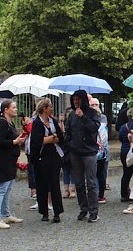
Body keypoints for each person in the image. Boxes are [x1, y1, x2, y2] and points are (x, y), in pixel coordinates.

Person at [0, 99, 26, 229]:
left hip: (10, 160)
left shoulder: (10, 123)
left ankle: (5, 214)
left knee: (7, 188)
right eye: (13, 107)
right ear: (6, 109)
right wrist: (14, 142)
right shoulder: (2, 123)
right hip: (2, 160)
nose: (16, 110)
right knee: (0, 189)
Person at [66, 90, 102, 222]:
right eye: (74, 99)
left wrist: (83, 117)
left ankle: (94, 211)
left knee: (91, 182)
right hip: (75, 152)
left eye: (78, 99)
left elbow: (94, 128)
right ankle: (83, 209)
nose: (75, 102)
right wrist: (69, 146)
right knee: (79, 183)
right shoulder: (71, 115)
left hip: (89, 152)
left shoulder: (92, 113)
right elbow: (68, 131)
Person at [29, 98, 64, 223]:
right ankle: (44, 211)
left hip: (54, 155)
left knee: (55, 184)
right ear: (44, 108)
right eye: (50, 106)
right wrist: (52, 137)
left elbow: (60, 137)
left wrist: (49, 138)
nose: (52, 109)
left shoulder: (53, 121)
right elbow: (38, 141)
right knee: (42, 184)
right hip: (41, 157)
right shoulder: (37, 123)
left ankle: (57, 212)